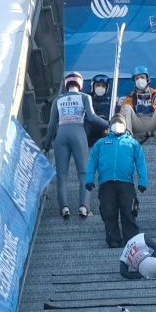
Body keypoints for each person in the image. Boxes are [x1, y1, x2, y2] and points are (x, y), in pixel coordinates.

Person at [45, 71, 107, 221]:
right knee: (83, 174)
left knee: (62, 175)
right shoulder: (85, 97)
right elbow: (92, 117)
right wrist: (109, 124)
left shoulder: (58, 100)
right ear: (80, 84)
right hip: (78, 133)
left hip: (61, 134)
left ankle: (64, 207)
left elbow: (52, 125)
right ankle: (84, 207)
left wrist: (46, 146)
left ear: (67, 85)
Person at [86, 119, 147, 248]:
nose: (117, 124)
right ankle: (114, 240)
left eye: (120, 122)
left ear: (125, 126)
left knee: (128, 212)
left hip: (126, 183)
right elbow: (92, 162)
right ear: (110, 126)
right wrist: (89, 179)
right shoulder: (101, 143)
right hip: (106, 183)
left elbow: (141, 163)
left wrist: (143, 180)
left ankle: (131, 241)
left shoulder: (132, 143)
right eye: (115, 122)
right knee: (109, 213)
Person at [120, 68, 156, 145]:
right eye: (137, 78)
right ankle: (127, 136)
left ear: (148, 79)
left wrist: (152, 108)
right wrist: (134, 109)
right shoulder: (130, 98)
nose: (140, 80)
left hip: (154, 123)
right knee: (126, 108)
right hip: (137, 123)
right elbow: (121, 115)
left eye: (142, 77)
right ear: (134, 82)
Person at [86, 75, 116, 146]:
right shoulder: (87, 99)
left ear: (107, 88)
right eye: (98, 85)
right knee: (85, 126)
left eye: (103, 86)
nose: (100, 88)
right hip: (90, 124)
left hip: (104, 125)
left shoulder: (111, 101)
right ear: (93, 86)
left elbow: (115, 116)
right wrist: (96, 118)